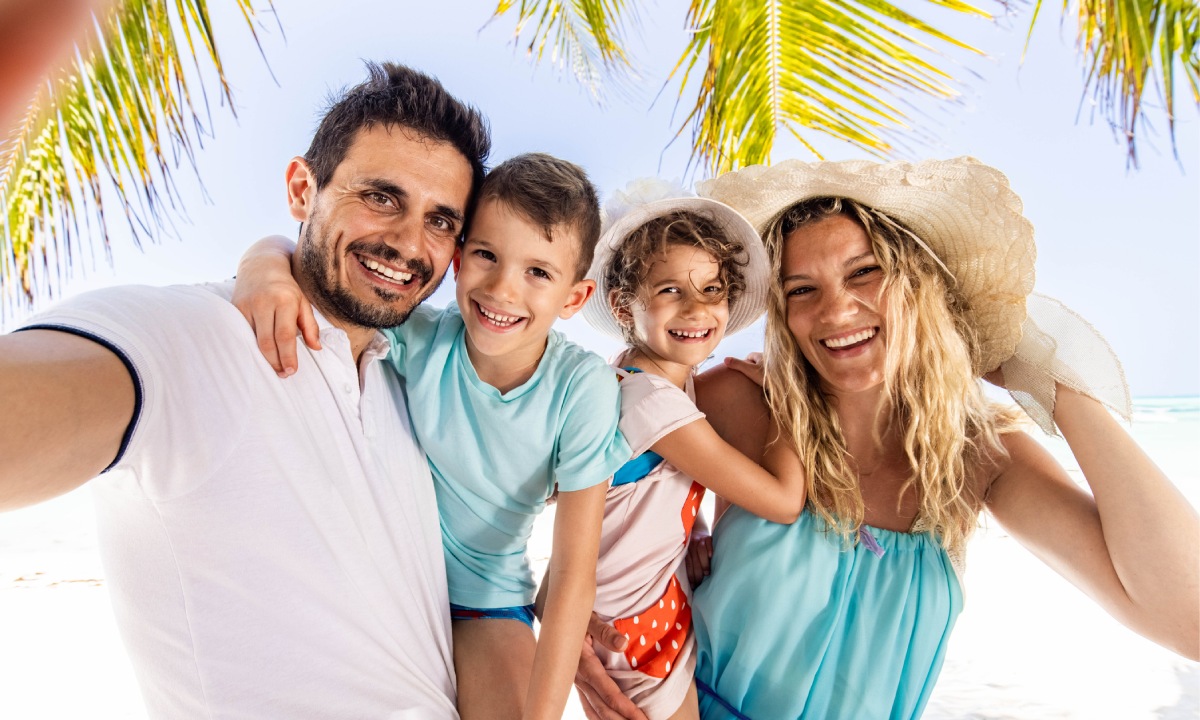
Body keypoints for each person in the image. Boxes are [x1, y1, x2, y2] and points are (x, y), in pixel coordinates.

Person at [575, 157, 1200, 720]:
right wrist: (572, 630)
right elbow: (585, 499)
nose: (836, 310)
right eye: (802, 290)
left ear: (918, 287)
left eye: (864, 273)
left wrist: (1056, 390)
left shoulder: (973, 457)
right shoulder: (736, 406)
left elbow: (1187, 619)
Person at [0, 62, 491, 718]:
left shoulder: (414, 379)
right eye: (381, 197)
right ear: (301, 189)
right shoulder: (187, 338)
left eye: (440, 221)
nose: (408, 243)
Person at [232, 152, 631, 720]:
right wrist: (261, 268)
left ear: (573, 298)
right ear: (460, 258)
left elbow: (571, 574)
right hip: (383, 582)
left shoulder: (582, 388)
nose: (502, 289)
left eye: (537, 272)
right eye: (487, 256)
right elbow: (299, 260)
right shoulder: (419, 337)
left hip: (484, 603)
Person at [565, 180, 804, 719]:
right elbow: (784, 501)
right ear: (625, 305)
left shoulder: (643, 379)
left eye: (712, 290)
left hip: (645, 605)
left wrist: (694, 531)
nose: (697, 309)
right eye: (670, 290)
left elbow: (635, 491)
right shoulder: (654, 403)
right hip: (632, 625)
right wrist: (786, 398)